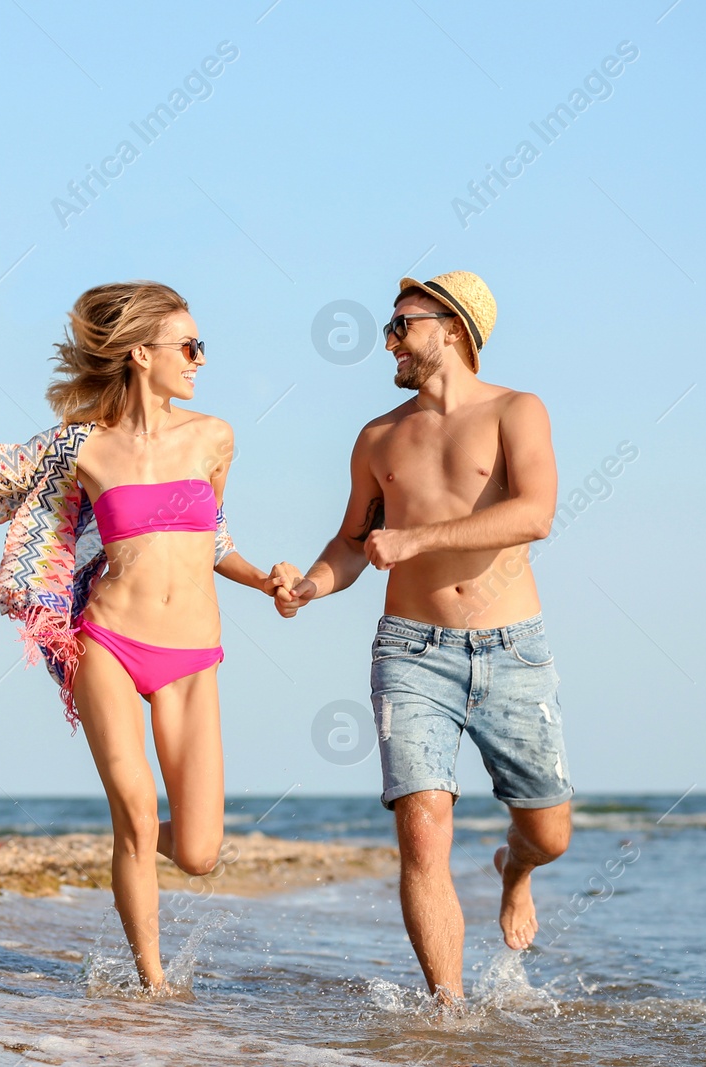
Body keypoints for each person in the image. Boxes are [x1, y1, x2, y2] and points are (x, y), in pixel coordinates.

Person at [0, 281, 293, 992]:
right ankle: (153, 984)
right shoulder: (82, 448)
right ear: (139, 354)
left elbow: (211, 535)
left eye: (201, 347)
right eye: (188, 346)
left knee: (197, 849)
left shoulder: (213, 437)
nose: (199, 360)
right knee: (134, 814)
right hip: (108, 641)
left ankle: (133, 859)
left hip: (194, 655)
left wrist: (265, 580)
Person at [273, 270, 573, 1004]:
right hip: (410, 652)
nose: (390, 342)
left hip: (513, 649)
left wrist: (414, 539)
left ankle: (516, 871)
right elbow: (353, 541)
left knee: (551, 832)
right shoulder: (378, 436)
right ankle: (451, 1011)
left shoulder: (516, 410)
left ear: (454, 327)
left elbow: (535, 513)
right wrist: (310, 585)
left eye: (400, 325)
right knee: (422, 824)